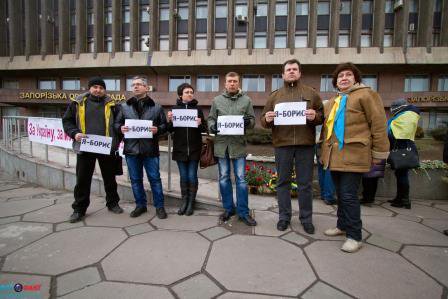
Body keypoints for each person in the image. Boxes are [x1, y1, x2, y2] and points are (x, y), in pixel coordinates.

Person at [320, 62, 389, 253]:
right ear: (336, 82)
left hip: (355, 154)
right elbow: (327, 128)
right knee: (341, 194)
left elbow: (379, 125)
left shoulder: (367, 95)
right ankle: (342, 226)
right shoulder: (334, 100)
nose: (344, 78)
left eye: (348, 75)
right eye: (340, 76)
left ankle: (355, 236)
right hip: (335, 156)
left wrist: (379, 154)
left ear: (355, 78)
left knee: (349, 195)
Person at [261, 59, 323, 234]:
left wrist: (315, 117)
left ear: (300, 73)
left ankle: (306, 219)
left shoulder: (312, 93)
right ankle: (284, 217)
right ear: (283, 74)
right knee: (283, 183)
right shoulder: (275, 96)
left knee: (305, 184)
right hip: (283, 144)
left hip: (305, 144)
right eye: (288, 69)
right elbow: (263, 120)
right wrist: (267, 119)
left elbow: (322, 116)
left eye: (295, 69)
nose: (291, 72)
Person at [62, 77, 123, 223]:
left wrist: (117, 140)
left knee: (110, 179)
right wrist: (74, 133)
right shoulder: (77, 103)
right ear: (89, 88)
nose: (98, 90)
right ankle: (79, 209)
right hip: (85, 147)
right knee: (82, 180)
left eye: (101, 88)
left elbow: (119, 124)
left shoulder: (113, 104)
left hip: (106, 147)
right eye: (95, 87)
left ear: (104, 90)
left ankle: (113, 203)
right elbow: (67, 121)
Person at [114, 76, 168, 219]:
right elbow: (116, 124)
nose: (136, 87)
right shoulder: (124, 106)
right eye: (133, 85)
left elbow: (165, 126)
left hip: (150, 150)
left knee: (155, 179)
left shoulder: (156, 107)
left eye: (139, 84)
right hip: (131, 150)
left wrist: (159, 130)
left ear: (146, 87)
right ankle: (140, 205)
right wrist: (121, 128)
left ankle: (160, 207)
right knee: (135, 179)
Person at [208, 72, 257, 226]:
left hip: (238, 145)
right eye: (229, 81)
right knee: (224, 179)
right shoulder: (217, 100)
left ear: (239, 83)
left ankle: (243, 212)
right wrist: (212, 126)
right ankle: (229, 209)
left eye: (235, 81)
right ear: (225, 83)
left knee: (241, 180)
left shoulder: (246, 100)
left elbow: (253, 121)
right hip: (222, 146)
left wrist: (248, 122)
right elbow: (211, 119)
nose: (232, 84)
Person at [167, 83, 206, 216]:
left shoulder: (198, 109)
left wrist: (201, 124)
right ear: (180, 95)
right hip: (180, 149)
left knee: (192, 176)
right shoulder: (175, 109)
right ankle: (184, 201)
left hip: (194, 149)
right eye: (187, 92)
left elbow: (204, 129)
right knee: (184, 177)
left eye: (191, 92)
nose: (190, 94)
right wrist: (170, 121)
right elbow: (169, 130)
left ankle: (191, 203)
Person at [387, 98, 420, 209]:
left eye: (393, 109)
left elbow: (395, 133)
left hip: (403, 148)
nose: (392, 112)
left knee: (402, 175)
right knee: (400, 174)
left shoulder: (407, 116)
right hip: (404, 147)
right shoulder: (408, 115)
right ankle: (399, 198)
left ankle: (404, 200)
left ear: (399, 108)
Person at [316, 124, 336, 205]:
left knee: (322, 166)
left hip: (317, 139)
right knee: (329, 166)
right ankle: (329, 196)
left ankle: (324, 194)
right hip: (327, 139)